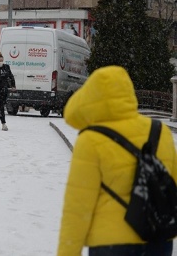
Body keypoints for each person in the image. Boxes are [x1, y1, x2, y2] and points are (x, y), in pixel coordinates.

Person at [57, 66, 177, 256]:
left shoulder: (91, 139)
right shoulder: (160, 132)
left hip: (112, 244)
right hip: (158, 239)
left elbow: (78, 207)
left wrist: (67, 252)